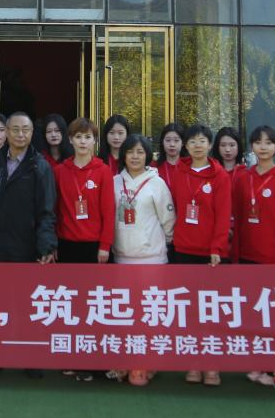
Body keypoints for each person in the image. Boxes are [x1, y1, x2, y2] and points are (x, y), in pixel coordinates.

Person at [0, 111, 57, 379]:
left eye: (25, 130)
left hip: (25, 248)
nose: (20, 134)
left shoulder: (39, 166)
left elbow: (47, 211)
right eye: (15, 129)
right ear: (6, 132)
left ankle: (30, 359)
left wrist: (45, 246)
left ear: (32, 134)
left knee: (27, 306)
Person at [231, 125, 275, 389]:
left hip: (272, 256)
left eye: (269, 143)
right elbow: (237, 218)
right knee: (253, 313)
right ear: (252, 147)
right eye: (258, 142)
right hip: (247, 254)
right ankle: (257, 362)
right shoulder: (243, 178)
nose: (263, 147)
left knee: (274, 314)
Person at [110, 133, 175, 387]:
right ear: (123, 155)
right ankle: (126, 362)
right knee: (126, 314)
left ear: (148, 155)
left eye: (140, 152)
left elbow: (168, 221)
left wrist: (159, 243)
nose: (135, 157)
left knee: (150, 313)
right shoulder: (115, 182)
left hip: (152, 258)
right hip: (122, 257)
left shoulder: (157, 184)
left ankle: (148, 363)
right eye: (130, 152)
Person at [169, 124, 229, 388]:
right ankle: (193, 362)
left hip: (209, 254)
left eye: (202, 141)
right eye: (192, 141)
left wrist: (217, 248)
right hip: (183, 249)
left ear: (210, 144)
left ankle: (212, 365)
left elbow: (223, 216)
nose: (197, 145)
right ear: (186, 145)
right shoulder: (179, 172)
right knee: (190, 310)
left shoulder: (219, 176)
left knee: (211, 311)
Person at [54, 117, 115, 264]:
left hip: (95, 244)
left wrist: (105, 245)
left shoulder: (104, 171)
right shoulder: (59, 171)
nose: (83, 142)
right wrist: (52, 242)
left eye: (88, 137)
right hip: (65, 243)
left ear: (94, 140)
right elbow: (54, 210)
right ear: (70, 139)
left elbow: (108, 212)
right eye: (78, 137)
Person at [155, 122, 184, 194]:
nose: (172, 144)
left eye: (176, 140)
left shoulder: (190, 167)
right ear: (162, 142)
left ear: (183, 143)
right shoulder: (153, 168)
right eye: (168, 140)